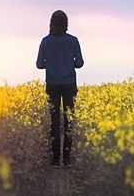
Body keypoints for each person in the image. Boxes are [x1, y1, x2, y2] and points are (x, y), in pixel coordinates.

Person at [36, 10, 84, 167]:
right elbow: (80, 63)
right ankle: (68, 159)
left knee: (54, 122)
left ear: (51, 23)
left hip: (52, 85)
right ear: (66, 23)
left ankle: (55, 160)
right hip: (69, 85)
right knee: (69, 121)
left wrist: (51, 62)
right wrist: (69, 62)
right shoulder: (73, 40)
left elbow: (39, 64)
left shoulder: (45, 41)